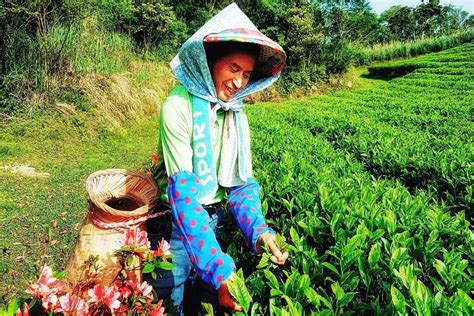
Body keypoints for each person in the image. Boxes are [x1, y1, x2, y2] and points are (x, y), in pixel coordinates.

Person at [146, 3, 288, 314]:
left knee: (202, 300)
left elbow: (241, 186)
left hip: (212, 220)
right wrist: (220, 268)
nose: (239, 82)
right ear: (210, 62)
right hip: (175, 222)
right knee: (170, 299)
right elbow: (183, 197)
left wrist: (259, 232)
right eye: (233, 68)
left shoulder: (235, 113)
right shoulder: (178, 106)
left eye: (246, 74)